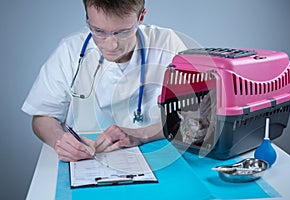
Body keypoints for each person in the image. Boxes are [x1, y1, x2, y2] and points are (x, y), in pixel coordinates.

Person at [22, 0, 187, 162]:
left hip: (159, 155)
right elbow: (43, 117)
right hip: (86, 159)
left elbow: (197, 116)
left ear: (141, 17)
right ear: (87, 18)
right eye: (99, 31)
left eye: (122, 32)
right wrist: (60, 140)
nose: (112, 44)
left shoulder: (168, 44)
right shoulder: (70, 50)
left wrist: (144, 134)